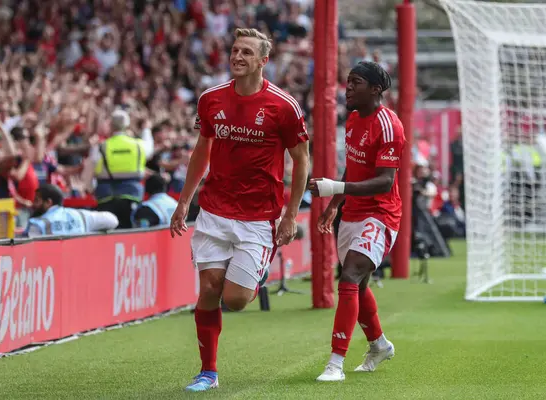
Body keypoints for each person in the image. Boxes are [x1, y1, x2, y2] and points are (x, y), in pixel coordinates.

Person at [170, 28, 310, 392]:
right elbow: (202, 150)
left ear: (264, 61)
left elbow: (301, 160)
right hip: (214, 210)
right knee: (209, 288)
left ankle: (256, 272)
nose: (237, 57)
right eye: (234, 51)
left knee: (235, 300)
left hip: (258, 216)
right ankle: (208, 373)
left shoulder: (284, 106)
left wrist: (291, 214)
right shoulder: (211, 99)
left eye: (246, 52)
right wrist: (185, 200)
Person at [309, 61, 404, 382]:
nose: (347, 87)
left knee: (349, 277)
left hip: (380, 214)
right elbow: (353, 168)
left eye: (356, 82)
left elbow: (385, 181)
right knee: (359, 286)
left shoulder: (389, 125)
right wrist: (336, 203)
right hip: (352, 213)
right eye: (347, 82)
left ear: (375, 89)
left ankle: (335, 364)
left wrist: (336, 188)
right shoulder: (351, 120)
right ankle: (379, 344)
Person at [81, 109, 148, 229]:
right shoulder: (139, 145)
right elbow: (150, 149)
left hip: (106, 195)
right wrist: (146, 129)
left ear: (111, 125)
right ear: (127, 125)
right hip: (132, 195)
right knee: (131, 230)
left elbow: (88, 171)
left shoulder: (101, 146)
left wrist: (90, 189)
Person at [25, 183, 119, 237]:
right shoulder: (80, 215)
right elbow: (113, 220)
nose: (33, 204)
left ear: (49, 202)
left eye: (37, 200)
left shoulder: (38, 223)